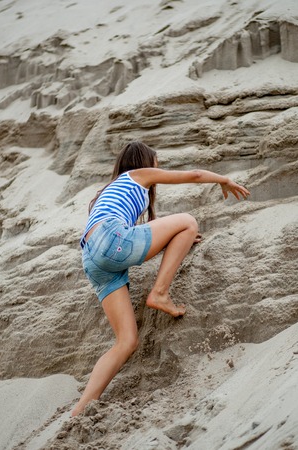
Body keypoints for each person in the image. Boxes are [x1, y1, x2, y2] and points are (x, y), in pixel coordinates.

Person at [71, 141, 250, 416]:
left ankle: (79, 410)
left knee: (126, 341)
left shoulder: (107, 192)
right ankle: (160, 293)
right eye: (156, 161)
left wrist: (175, 238)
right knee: (189, 220)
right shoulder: (137, 175)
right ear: (145, 162)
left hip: (92, 258)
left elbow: (133, 237)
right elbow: (195, 176)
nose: (157, 166)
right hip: (112, 241)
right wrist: (224, 179)